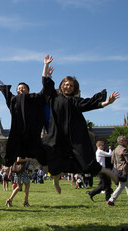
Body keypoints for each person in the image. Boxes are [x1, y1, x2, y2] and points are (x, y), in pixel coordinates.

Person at [41, 55, 119, 194]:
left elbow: (90, 104)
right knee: (53, 157)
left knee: (86, 159)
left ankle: (109, 173)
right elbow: (46, 82)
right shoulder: (53, 98)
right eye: (66, 84)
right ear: (61, 85)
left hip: (73, 136)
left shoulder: (75, 101)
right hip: (57, 135)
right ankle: (56, 181)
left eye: (71, 85)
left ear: (74, 88)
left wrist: (107, 102)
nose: (68, 87)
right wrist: (46, 65)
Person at [0, 68, 46, 168]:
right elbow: (4, 90)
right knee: (12, 147)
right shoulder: (13, 99)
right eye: (19, 88)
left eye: (23, 88)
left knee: (38, 148)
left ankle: (46, 162)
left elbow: (45, 89)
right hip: (17, 130)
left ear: (28, 90)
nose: (21, 89)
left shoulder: (34, 98)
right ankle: (7, 165)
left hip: (31, 130)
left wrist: (46, 70)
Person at [107, 136, 128, 206]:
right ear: (121, 142)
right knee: (121, 186)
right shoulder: (124, 150)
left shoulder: (114, 150)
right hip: (123, 170)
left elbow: (112, 161)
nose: (127, 142)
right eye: (125, 141)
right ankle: (111, 200)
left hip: (116, 170)